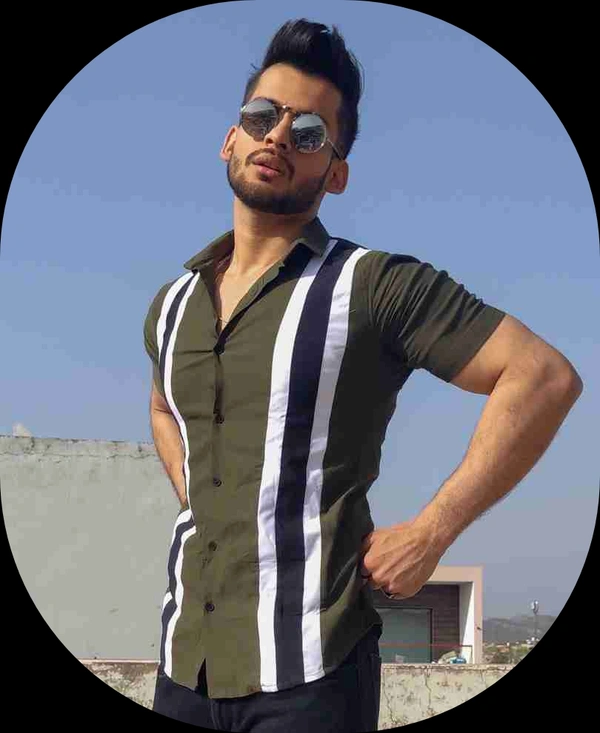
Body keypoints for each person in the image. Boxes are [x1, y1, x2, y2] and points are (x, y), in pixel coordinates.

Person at [143, 18, 582, 732]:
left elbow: (543, 377)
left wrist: (433, 530)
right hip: (182, 660)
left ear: (336, 172)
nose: (278, 137)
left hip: (312, 673)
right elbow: (165, 405)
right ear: (230, 138)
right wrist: (196, 486)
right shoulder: (172, 305)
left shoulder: (372, 285)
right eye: (261, 116)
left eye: (309, 131)